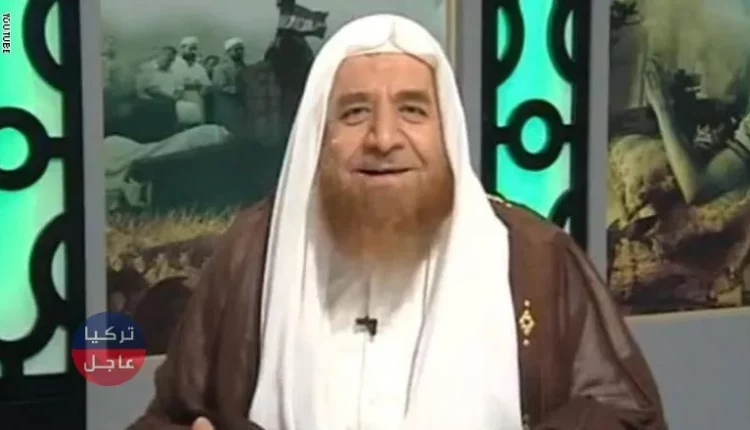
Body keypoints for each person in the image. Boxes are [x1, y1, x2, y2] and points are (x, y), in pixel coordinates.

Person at [128, 14, 666, 430]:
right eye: (355, 112)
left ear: (446, 131)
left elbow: (627, 416)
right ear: (319, 135)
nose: (384, 138)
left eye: (412, 109)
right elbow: (170, 416)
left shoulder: (532, 256)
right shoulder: (255, 252)